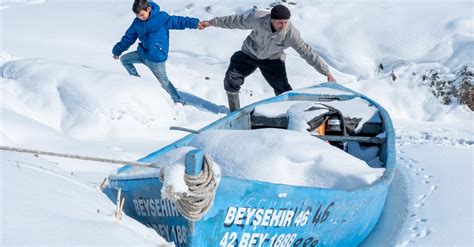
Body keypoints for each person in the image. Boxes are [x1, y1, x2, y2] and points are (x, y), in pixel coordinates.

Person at [200, 5, 336, 112]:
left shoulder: (291, 34)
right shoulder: (257, 19)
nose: (283, 26)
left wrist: (326, 72)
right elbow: (234, 21)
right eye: (280, 23)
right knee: (231, 78)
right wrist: (211, 23)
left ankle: (290, 114)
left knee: (283, 89)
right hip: (249, 53)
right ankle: (234, 112)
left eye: (285, 22)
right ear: (272, 19)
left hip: (272, 60)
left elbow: (307, 52)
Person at [112, 0, 204, 104]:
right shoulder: (137, 22)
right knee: (125, 60)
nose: (140, 17)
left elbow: (179, 21)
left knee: (164, 81)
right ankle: (137, 82)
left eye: (142, 15)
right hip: (142, 53)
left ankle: (178, 100)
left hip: (156, 57)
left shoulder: (161, 18)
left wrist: (196, 24)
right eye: (137, 15)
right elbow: (128, 38)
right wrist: (117, 50)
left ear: (148, 9)